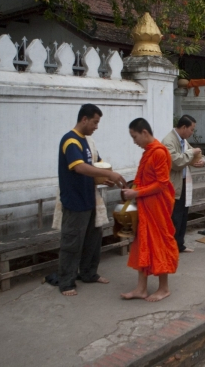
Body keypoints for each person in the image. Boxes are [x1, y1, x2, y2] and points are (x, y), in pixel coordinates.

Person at [57, 104, 127, 296]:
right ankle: (66, 282)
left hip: (91, 199)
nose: (96, 126)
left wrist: (105, 178)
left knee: (92, 241)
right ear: (84, 119)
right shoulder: (71, 141)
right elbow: (79, 167)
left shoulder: (87, 142)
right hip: (75, 201)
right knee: (72, 243)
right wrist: (109, 173)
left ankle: (88, 273)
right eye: (95, 122)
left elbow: (94, 166)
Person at [120, 118, 179, 302]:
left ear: (144, 132)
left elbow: (161, 184)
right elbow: (146, 179)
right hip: (145, 205)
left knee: (159, 243)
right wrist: (132, 189)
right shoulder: (148, 152)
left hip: (157, 207)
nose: (134, 141)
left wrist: (136, 193)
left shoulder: (159, 152)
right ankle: (141, 288)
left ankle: (164, 288)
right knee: (142, 244)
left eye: (134, 136)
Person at [162, 115, 205, 253]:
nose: (192, 133)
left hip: (183, 182)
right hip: (173, 184)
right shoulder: (168, 141)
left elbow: (195, 155)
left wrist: (202, 161)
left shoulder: (184, 141)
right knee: (174, 217)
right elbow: (176, 162)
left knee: (182, 215)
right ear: (183, 127)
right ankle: (170, 247)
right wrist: (191, 154)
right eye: (191, 130)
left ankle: (179, 244)